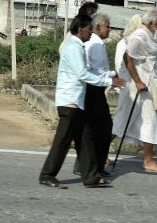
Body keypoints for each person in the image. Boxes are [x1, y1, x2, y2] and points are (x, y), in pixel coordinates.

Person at [39, 14, 125, 189]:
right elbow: (82, 74)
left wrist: (108, 76)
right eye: (88, 29)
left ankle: (91, 176)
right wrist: (108, 81)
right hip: (70, 101)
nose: (90, 32)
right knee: (62, 141)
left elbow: (86, 72)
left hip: (76, 102)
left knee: (84, 139)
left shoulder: (77, 45)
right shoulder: (74, 46)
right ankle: (47, 175)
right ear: (80, 29)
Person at [111, 8, 157, 173]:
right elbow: (127, 57)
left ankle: (148, 160)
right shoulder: (140, 36)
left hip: (148, 86)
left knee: (149, 120)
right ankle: (97, 152)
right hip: (136, 88)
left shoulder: (150, 37)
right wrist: (137, 81)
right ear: (151, 23)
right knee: (123, 120)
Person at [73, 13, 116, 177]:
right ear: (98, 27)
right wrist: (113, 76)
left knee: (91, 128)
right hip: (94, 87)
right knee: (104, 128)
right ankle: (95, 166)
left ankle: (85, 165)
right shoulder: (96, 44)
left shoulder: (91, 42)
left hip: (91, 87)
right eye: (108, 26)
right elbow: (99, 71)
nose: (109, 29)